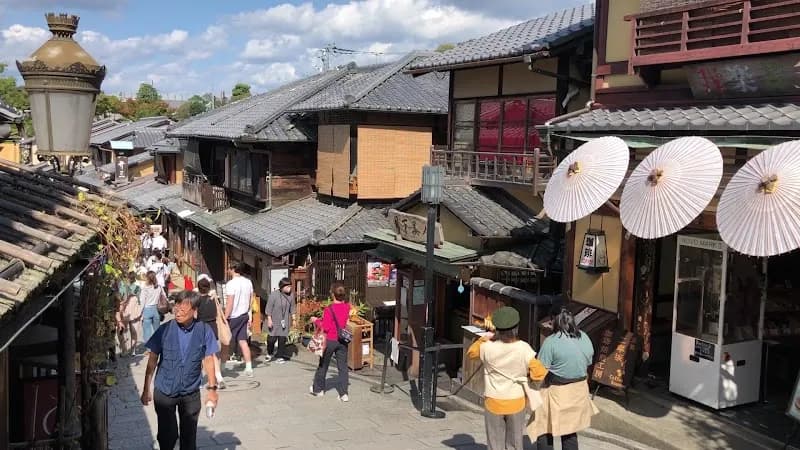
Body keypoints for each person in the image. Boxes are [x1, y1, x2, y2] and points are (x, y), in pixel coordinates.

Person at [141, 291, 219, 450]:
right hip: (165, 391)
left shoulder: (204, 330)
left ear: (194, 311)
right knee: (167, 436)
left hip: (190, 391)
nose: (178, 312)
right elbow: (152, 361)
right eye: (176, 308)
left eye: (183, 310)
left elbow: (209, 360)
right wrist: (145, 389)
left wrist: (212, 389)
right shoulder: (164, 330)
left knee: (189, 437)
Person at [466, 306, 545, 450]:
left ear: (497, 329)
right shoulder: (523, 348)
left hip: (493, 400)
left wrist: (485, 337)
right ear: (515, 328)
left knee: (495, 443)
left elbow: (471, 353)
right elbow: (539, 373)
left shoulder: (487, 348)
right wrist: (526, 377)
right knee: (514, 443)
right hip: (516, 400)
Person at [527, 308, 598, 450]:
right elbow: (589, 361)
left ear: (556, 323)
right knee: (570, 431)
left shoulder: (551, 341)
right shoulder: (584, 337)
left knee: (544, 428)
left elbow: (540, 371)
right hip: (578, 390)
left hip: (556, 391)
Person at [311, 282, 351, 401]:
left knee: (323, 365)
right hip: (342, 340)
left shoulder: (329, 309)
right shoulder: (347, 307)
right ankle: (344, 394)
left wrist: (316, 320)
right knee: (343, 367)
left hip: (330, 340)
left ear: (333, 295)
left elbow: (326, 327)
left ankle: (318, 389)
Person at [225, 262, 254, 377]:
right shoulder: (248, 282)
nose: (228, 270)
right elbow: (251, 299)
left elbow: (230, 303)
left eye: (229, 268)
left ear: (233, 269)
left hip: (233, 316)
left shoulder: (230, 284)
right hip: (244, 315)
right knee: (243, 341)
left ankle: (221, 366)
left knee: (225, 341)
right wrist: (249, 313)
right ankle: (249, 368)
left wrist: (225, 316)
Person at [195, 275, 225, 389]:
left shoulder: (197, 301)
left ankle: (202, 379)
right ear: (208, 288)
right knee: (214, 354)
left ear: (198, 288)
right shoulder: (214, 299)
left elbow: (195, 316)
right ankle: (219, 377)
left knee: (203, 355)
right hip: (213, 327)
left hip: (201, 327)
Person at [265, 277, 296, 363]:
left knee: (282, 339)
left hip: (285, 320)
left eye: (290, 286)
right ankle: (270, 353)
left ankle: (280, 355)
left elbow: (293, 307)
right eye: (287, 287)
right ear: (282, 287)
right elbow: (269, 308)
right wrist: (269, 319)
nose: (289, 288)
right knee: (271, 339)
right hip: (274, 320)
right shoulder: (274, 295)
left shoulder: (291, 295)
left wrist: (294, 319)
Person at [140, 271, 167, 345]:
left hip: (147, 310)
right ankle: (158, 346)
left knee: (147, 331)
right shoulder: (159, 287)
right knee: (157, 330)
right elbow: (164, 296)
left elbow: (142, 302)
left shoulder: (145, 288)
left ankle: (149, 349)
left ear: (147, 278)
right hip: (156, 309)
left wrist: (140, 313)